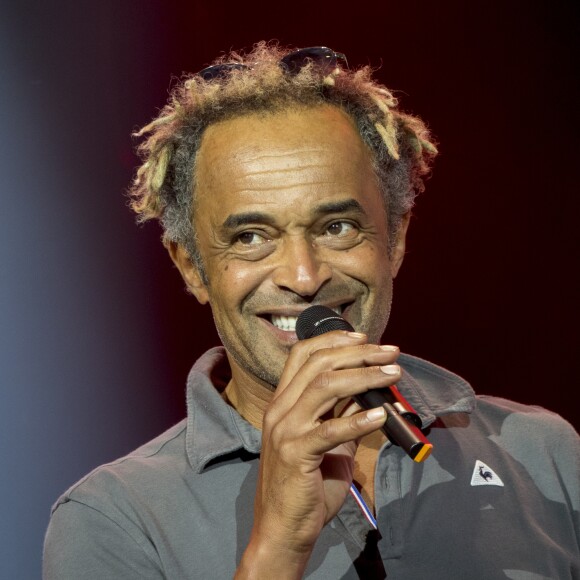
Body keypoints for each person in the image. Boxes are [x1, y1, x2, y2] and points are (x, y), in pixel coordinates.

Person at [43, 43, 579, 579]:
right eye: (251, 236)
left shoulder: (544, 452)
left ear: (394, 240)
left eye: (337, 227)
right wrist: (278, 546)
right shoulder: (112, 518)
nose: (304, 277)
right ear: (191, 267)